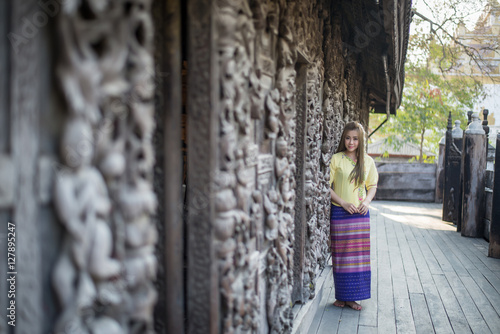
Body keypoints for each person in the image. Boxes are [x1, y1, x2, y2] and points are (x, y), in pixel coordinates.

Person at [329, 121, 378, 311]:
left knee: (358, 257)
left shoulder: (368, 161)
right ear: (344, 138)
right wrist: (343, 202)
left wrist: (365, 203)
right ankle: (341, 296)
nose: (351, 142)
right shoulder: (336, 159)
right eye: (348, 138)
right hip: (340, 213)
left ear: (361, 140)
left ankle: (353, 298)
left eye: (355, 139)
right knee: (341, 256)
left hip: (360, 215)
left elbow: (372, 186)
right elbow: (326, 186)